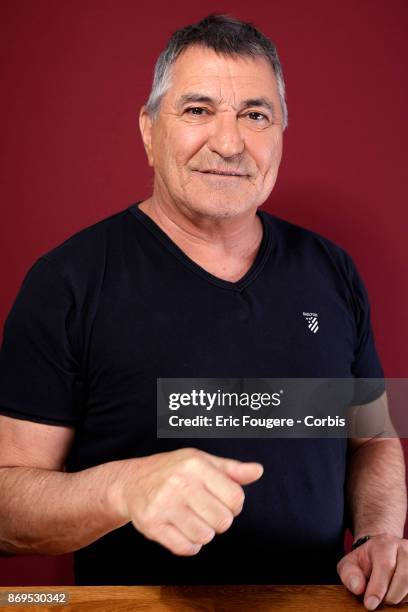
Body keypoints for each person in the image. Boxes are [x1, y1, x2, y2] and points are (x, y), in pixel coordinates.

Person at [0, 13, 406, 609]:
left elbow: (371, 441)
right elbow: (6, 504)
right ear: (147, 130)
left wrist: (379, 534)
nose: (230, 141)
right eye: (197, 110)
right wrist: (123, 487)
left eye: (255, 114)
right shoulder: (69, 281)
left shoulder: (331, 272)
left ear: (281, 133)